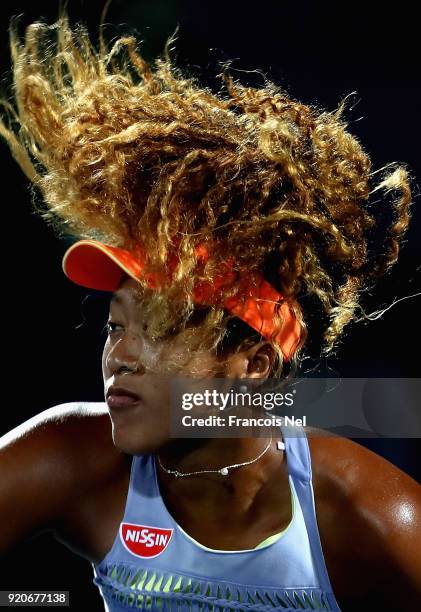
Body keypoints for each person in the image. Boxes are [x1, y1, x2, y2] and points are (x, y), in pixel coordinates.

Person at [0, 12, 420, 612]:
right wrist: (36, 601)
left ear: (252, 365)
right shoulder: (72, 456)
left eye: (162, 328)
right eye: (117, 325)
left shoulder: (366, 514)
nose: (120, 355)